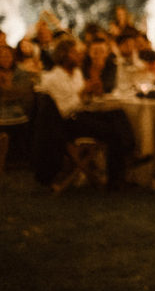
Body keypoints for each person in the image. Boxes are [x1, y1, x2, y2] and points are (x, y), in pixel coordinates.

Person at [36, 37, 135, 190]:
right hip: (67, 123)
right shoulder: (54, 78)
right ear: (64, 55)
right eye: (75, 53)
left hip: (81, 114)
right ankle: (116, 179)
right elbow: (64, 110)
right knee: (113, 132)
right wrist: (83, 93)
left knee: (117, 113)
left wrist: (91, 93)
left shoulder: (76, 73)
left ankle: (130, 149)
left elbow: (83, 101)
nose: (80, 56)